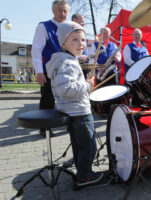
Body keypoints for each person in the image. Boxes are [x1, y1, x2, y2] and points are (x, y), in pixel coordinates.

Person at [46, 21, 102, 187]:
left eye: (83, 40)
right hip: (79, 112)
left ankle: (81, 170)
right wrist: (87, 85)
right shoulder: (67, 62)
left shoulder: (63, 59)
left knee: (79, 146)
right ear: (63, 42)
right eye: (75, 40)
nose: (81, 44)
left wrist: (84, 83)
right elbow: (66, 88)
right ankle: (85, 176)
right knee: (89, 147)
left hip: (71, 112)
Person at [31, 0, 70, 137]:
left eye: (65, 11)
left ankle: (67, 124)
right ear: (53, 11)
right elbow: (36, 49)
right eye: (59, 10)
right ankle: (45, 127)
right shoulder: (44, 26)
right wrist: (39, 72)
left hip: (66, 71)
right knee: (47, 100)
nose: (62, 13)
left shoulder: (69, 28)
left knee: (66, 99)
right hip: (49, 71)